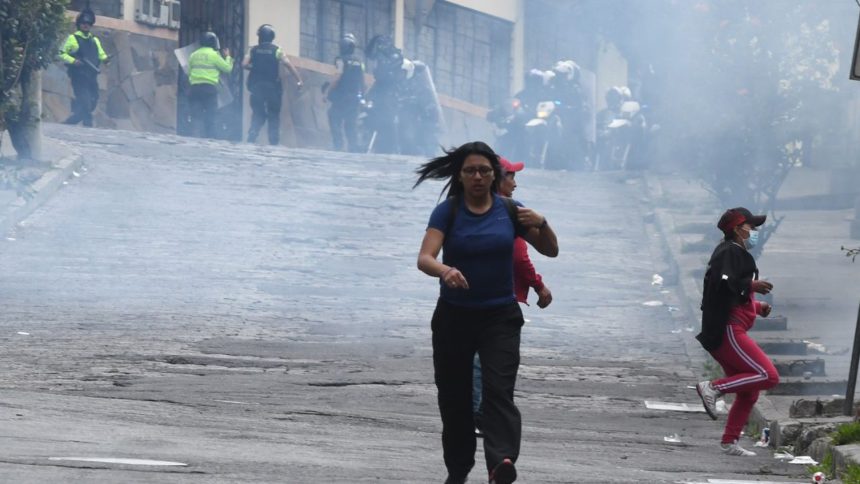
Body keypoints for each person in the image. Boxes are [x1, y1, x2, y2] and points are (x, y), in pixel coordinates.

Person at [415, 141, 558, 484]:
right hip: (454, 316)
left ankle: (501, 462)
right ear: (460, 176)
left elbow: (551, 250)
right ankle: (458, 469)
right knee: (454, 397)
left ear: (494, 175)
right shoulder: (447, 212)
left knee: (498, 390)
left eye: (484, 170)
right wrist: (445, 271)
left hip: (499, 317)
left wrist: (543, 221)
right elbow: (425, 258)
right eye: (470, 171)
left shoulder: (510, 210)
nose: (478, 176)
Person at [472, 156, 553, 437]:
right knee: (488, 359)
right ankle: (480, 412)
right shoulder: (507, 210)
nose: (515, 183)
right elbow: (519, 256)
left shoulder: (474, 206)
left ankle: (478, 410)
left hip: (476, 293)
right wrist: (538, 285)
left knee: (478, 356)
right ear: (496, 178)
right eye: (511, 177)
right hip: (499, 296)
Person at [695, 207, 779, 457]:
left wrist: (755, 306)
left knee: (749, 391)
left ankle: (729, 441)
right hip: (728, 329)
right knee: (768, 375)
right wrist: (750, 285)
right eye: (750, 227)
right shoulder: (728, 252)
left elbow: (729, 294)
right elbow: (720, 285)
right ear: (736, 229)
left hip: (733, 324)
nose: (753, 232)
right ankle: (713, 387)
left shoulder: (735, 253)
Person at [243, 24, 303, 145]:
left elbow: (244, 64)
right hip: (273, 88)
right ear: (272, 37)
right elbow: (288, 65)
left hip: (257, 87)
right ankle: (274, 141)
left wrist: (254, 68)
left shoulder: (253, 50)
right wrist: (299, 80)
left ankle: (252, 134)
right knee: (273, 115)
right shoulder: (277, 50)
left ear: (260, 36)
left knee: (257, 113)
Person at [59, 8, 108, 127]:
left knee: (93, 100)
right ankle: (88, 125)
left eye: (88, 23)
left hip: (91, 76)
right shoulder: (72, 38)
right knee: (85, 101)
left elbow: (101, 54)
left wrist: (105, 59)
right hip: (79, 76)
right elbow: (61, 53)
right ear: (79, 24)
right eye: (83, 23)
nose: (86, 25)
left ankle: (73, 120)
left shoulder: (94, 40)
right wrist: (73, 60)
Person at [187, 32, 233, 139]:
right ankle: (210, 138)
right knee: (210, 115)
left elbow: (189, 72)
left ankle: (195, 136)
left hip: (194, 89)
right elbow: (227, 68)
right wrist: (228, 57)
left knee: (195, 116)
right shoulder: (214, 55)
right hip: (209, 89)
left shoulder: (193, 55)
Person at [325, 33, 364, 152]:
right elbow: (362, 80)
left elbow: (337, 77)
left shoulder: (340, 60)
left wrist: (327, 92)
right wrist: (362, 95)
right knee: (351, 123)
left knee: (333, 117)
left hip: (341, 97)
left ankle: (338, 144)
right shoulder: (359, 62)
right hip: (354, 98)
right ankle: (353, 146)